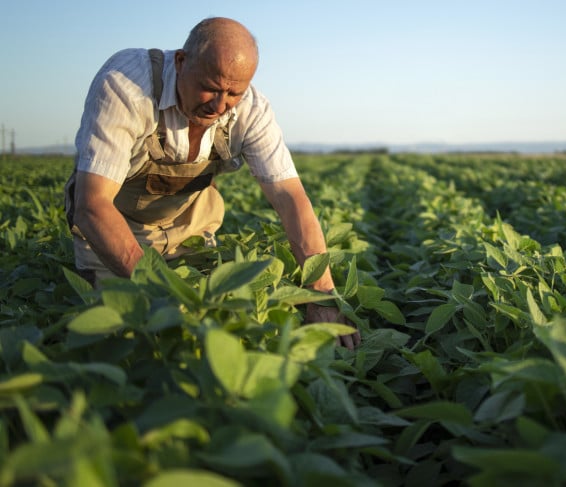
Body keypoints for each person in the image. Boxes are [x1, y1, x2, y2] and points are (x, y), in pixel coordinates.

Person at [63, 17, 360, 349]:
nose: (219, 105)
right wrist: (166, 295)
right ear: (181, 61)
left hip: (190, 227)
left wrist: (320, 295)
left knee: (220, 331)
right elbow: (92, 207)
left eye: (234, 93)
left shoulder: (252, 110)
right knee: (126, 337)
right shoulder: (126, 85)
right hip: (114, 230)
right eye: (211, 87)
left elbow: (290, 198)